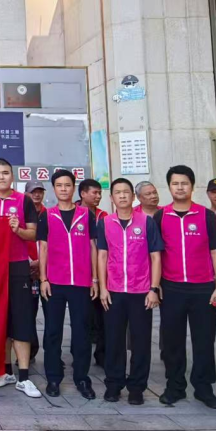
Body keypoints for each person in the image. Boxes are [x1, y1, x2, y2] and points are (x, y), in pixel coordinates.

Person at [156, 165, 216, 409]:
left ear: (192, 186)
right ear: (169, 187)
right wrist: (155, 287)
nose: (180, 188)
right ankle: (174, 387)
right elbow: (155, 255)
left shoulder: (207, 216)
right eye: (175, 184)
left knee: (204, 341)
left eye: (184, 183)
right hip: (171, 288)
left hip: (203, 288)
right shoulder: (161, 217)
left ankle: (203, 388)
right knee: (172, 342)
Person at [96, 178, 163, 405]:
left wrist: (153, 289)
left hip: (141, 291)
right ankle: (113, 385)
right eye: (118, 192)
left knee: (141, 341)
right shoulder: (105, 223)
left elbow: (155, 256)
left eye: (126, 192)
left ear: (133, 197)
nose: (122, 196)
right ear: (112, 198)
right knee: (114, 340)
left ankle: (136, 387)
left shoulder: (146, 222)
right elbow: (102, 256)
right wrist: (103, 288)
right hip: (114, 291)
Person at [0, 159, 42, 399]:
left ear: (12, 175)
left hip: (17, 265)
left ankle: (24, 377)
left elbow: (33, 234)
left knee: (21, 319)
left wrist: (18, 229)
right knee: (0, 318)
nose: (1, 177)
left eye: (5, 172)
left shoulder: (23, 200)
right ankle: (5, 372)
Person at [37, 169, 97, 400]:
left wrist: (94, 279)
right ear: (54, 189)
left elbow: (93, 247)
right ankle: (53, 378)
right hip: (55, 282)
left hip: (81, 282)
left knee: (81, 332)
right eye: (59, 185)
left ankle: (82, 378)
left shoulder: (86, 215)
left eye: (67, 185)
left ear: (74, 188)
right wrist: (43, 279)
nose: (63, 189)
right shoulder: (47, 215)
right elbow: (43, 248)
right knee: (53, 331)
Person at [79, 179, 108, 368]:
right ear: (83, 193)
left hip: (102, 273)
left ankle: (102, 354)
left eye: (100, 193)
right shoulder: (73, 213)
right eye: (94, 193)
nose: (98, 196)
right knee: (82, 317)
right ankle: (80, 356)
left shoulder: (104, 216)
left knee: (103, 316)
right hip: (81, 272)